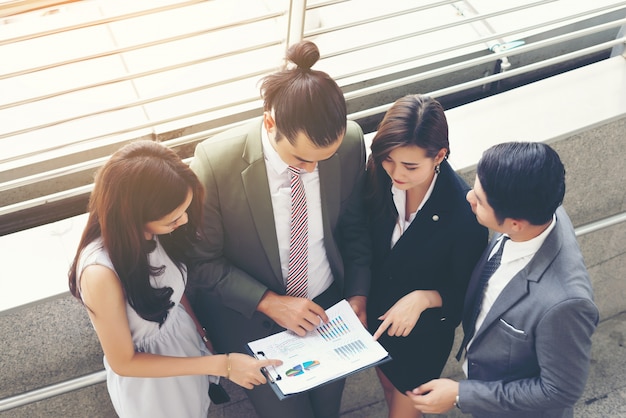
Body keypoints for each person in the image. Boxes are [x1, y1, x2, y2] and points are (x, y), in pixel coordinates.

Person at [187, 40, 371, 418]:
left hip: (328, 310)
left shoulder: (351, 142)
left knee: (327, 409)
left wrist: (358, 296)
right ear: (269, 122)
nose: (311, 170)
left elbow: (354, 230)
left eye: (325, 158)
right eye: (302, 159)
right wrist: (271, 302)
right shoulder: (215, 164)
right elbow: (201, 264)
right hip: (251, 318)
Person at [68, 140, 281, 418]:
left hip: (187, 353)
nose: (182, 222)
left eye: (185, 211)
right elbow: (124, 362)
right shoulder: (100, 273)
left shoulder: (150, 232)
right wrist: (223, 365)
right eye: (172, 219)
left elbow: (173, 292)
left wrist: (200, 333)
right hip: (152, 386)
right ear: (132, 214)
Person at [408, 141, 599, 418]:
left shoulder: (564, 305)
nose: (469, 197)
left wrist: (461, 395)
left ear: (515, 224)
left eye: (480, 200)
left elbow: (559, 391)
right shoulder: (538, 209)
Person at [364, 94, 488, 418]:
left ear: (440, 156)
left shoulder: (464, 213)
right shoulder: (378, 172)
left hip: (422, 337)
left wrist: (424, 298)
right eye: (389, 159)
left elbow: (468, 296)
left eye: (410, 166)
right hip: (376, 319)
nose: (396, 173)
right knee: (389, 390)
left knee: (405, 407)